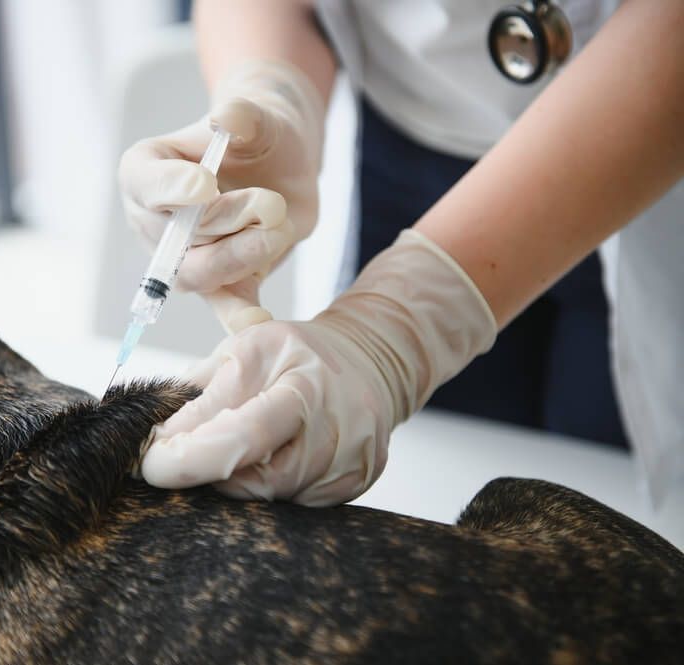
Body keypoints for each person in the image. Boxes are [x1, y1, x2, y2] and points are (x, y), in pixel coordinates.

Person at [119, 0, 684, 507]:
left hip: (651, 154)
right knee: (443, 488)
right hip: (405, 143)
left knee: (615, 515)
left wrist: (396, 326)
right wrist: (274, 88)